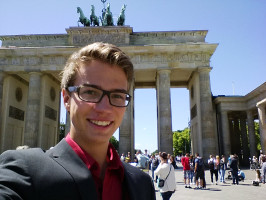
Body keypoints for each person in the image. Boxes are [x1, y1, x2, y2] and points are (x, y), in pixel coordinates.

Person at [0, 42, 156, 200]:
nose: (104, 108)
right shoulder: (24, 170)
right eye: (90, 92)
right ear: (66, 98)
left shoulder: (142, 183)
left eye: (117, 95)